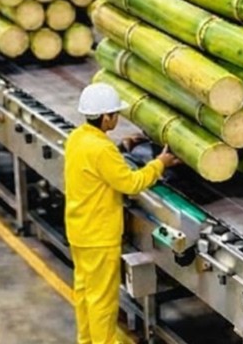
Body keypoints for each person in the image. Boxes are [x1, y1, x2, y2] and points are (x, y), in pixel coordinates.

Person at [65, 83, 180, 344]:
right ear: (106, 117)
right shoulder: (101, 149)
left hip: (79, 231)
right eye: (115, 114)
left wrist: (122, 146)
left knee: (84, 292)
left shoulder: (79, 138)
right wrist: (159, 164)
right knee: (102, 300)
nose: (117, 118)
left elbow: (98, 163)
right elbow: (130, 183)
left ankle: (86, 340)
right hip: (99, 236)